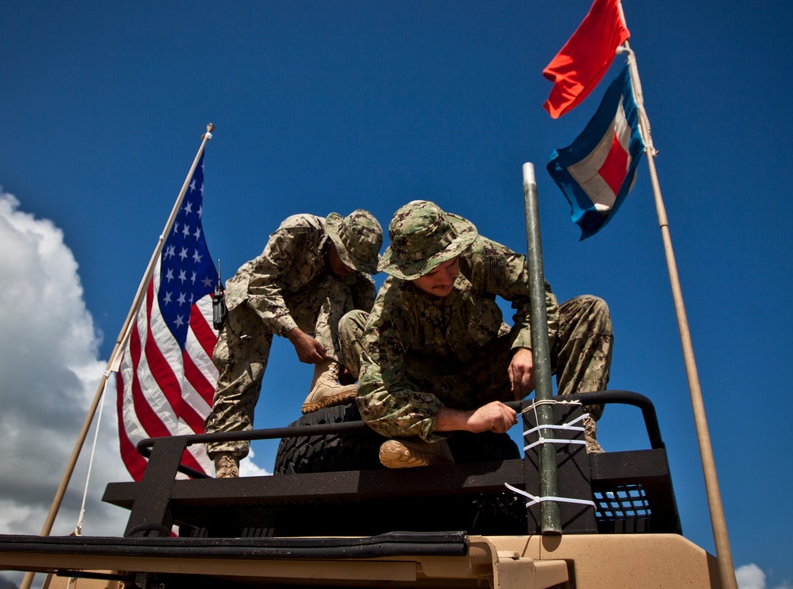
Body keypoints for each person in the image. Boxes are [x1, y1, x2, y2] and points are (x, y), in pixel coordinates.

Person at [339, 200, 612, 469]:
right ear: (407, 273)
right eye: (431, 272)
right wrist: (467, 420)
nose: (445, 278)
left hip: (495, 373)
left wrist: (528, 346)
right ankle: (425, 444)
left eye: (450, 264)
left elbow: (535, 293)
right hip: (432, 390)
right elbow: (376, 398)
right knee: (353, 324)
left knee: (589, 310)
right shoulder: (392, 307)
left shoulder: (478, 255)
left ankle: (575, 436)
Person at [206, 210, 383, 478]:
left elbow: (365, 331)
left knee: (341, 291)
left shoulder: (357, 279)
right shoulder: (301, 230)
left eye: (358, 264)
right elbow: (262, 283)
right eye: (347, 258)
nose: (350, 267)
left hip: (300, 301)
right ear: (334, 240)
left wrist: (350, 364)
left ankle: (324, 382)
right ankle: (226, 460)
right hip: (253, 298)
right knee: (242, 377)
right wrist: (295, 334)